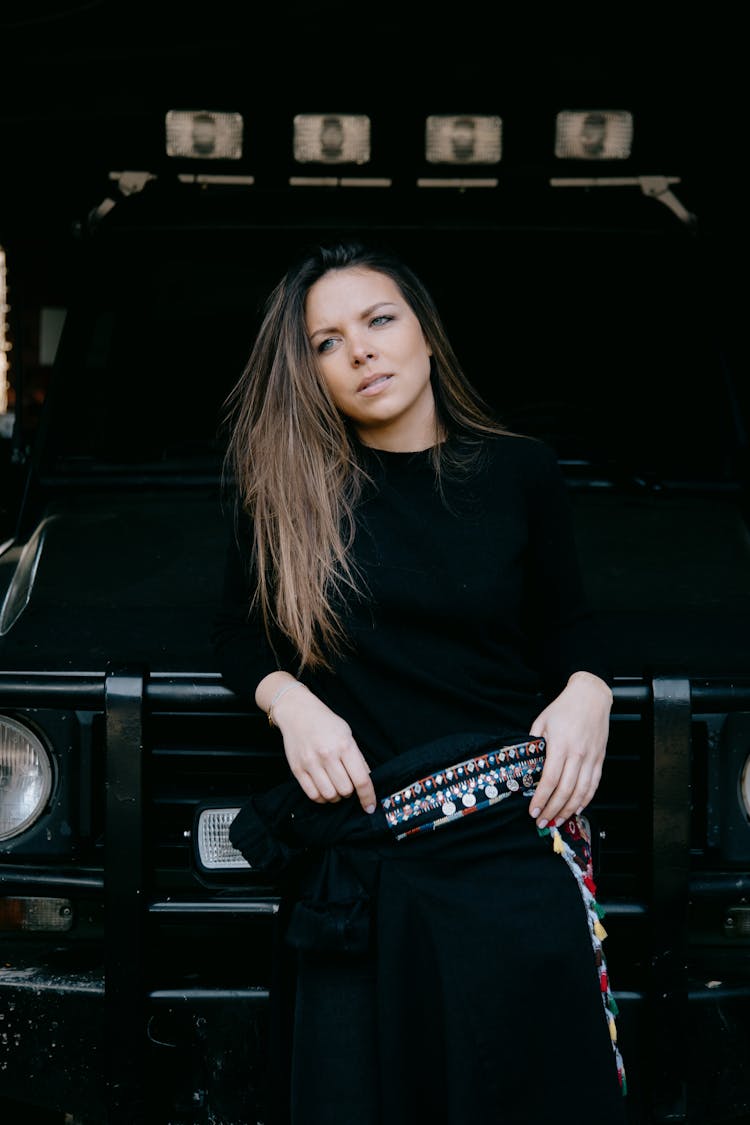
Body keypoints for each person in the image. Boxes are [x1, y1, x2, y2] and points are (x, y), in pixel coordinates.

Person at [210, 240, 628, 1125]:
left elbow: (572, 624)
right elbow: (239, 634)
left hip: (509, 853)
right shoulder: (288, 490)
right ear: (310, 373)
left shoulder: (521, 471)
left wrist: (591, 687)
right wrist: (291, 702)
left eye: (378, 319)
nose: (358, 351)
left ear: (425, 336)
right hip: (365, 871)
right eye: (325, 342)